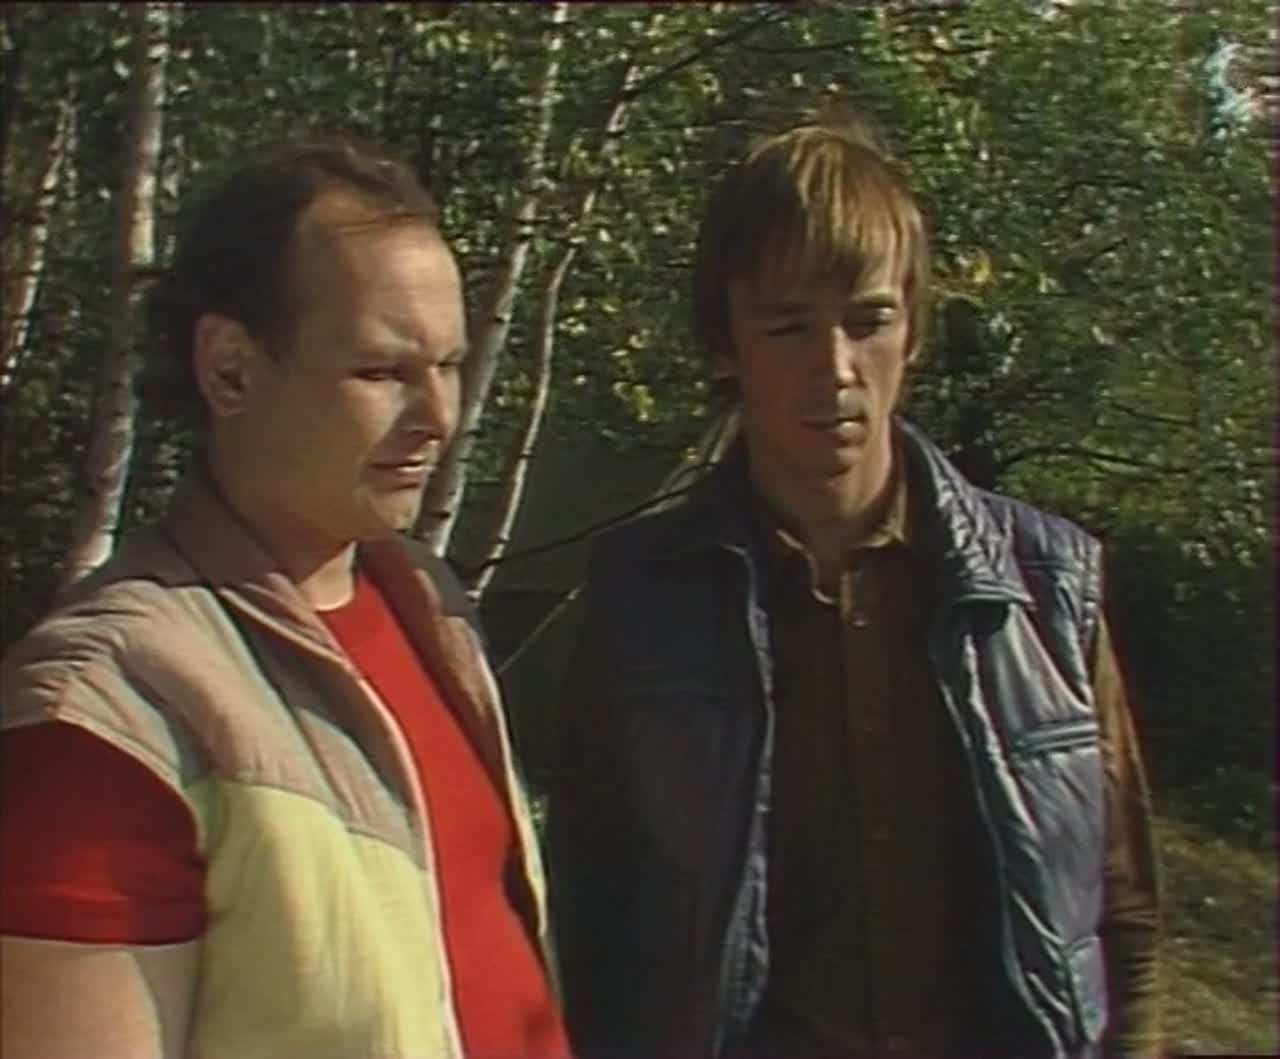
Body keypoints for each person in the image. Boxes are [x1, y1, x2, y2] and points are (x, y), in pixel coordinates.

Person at [547, 113, 1162, 1059]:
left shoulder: (1046, 590)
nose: (833, 368)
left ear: (912, 331)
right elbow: (590, 921)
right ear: (724, 343)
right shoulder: (645, 601)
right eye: (788, 325)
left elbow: (1122, 913)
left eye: (868, 320)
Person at [0, 137, 570, 1059]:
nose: (439, 415)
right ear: (230, 368)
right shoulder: (109, 705)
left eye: (449, 365)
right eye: (382, 372)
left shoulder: (427, 607)